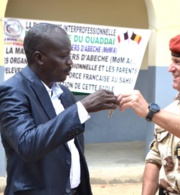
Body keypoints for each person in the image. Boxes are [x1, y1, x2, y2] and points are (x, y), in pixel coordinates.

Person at [0, 23, 118, 195]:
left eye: (69, 54)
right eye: (63, 56)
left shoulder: (63, 92)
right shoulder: (13, 92)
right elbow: (27, 144)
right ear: (39, 58)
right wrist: (81, 108)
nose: (70, 62)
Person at [118, 33, 180, 195]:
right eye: (171, 61)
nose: (170, 68)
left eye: (178, 62)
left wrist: (150, 112)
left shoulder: (160, 114)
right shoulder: (169, 111)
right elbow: (154, 159)